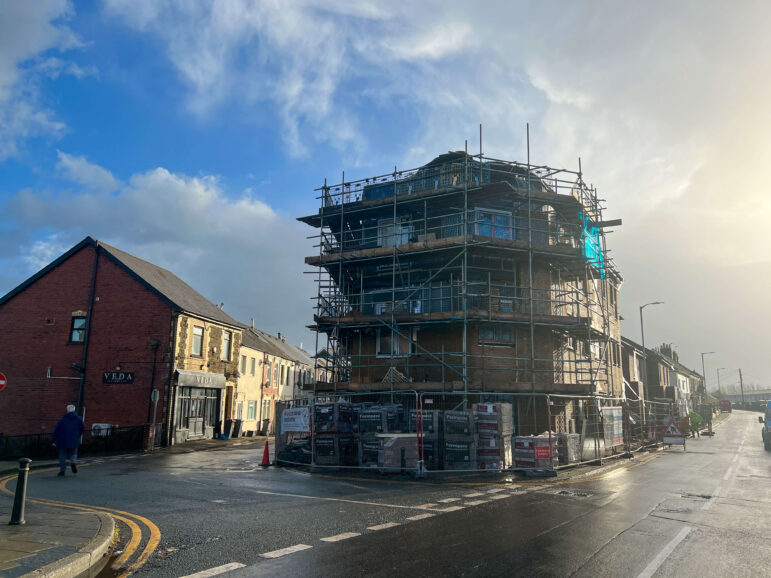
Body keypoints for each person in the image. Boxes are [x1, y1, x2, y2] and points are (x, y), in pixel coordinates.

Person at [53, 404, 85, 476]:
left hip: (62, 440)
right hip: (74, 439)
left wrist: (54, 440)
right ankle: (73, 462)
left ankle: (62, 470)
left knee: (62, 455)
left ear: (67, 411)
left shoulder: (62, 420)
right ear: (74, 410)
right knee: (73, 453)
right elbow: (82, 428)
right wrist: (78, 435)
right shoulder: (79, 419)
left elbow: (56, 431)